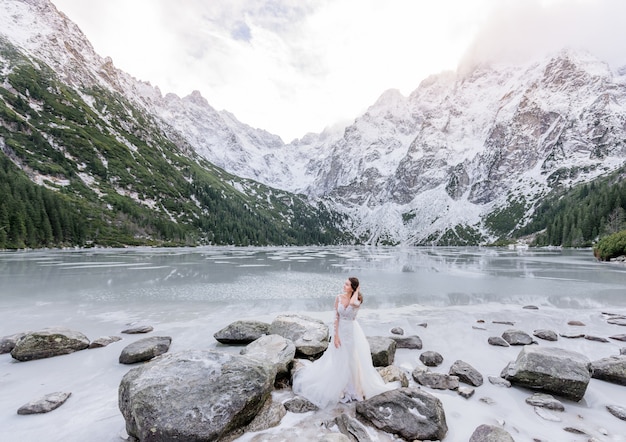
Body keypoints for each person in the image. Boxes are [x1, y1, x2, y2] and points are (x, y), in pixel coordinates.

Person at [292, 277, 397, 408]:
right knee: (338, 358)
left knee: (352, 360)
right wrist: (335, 336)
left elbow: (353, 303)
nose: (344, 286)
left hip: (352, 332)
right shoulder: (338, 297)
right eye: (345, 283)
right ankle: (340, 388)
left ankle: (354, 389)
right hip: (341, 331)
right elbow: (336, 317)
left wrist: (357, 290)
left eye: (347, 285)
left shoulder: (357, 300)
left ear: (353, 288)